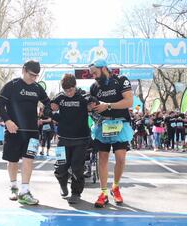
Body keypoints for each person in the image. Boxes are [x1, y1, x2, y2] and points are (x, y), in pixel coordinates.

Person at [0, 60, 52, 205]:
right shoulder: (11, 85)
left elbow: (48, 102)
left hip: (32, 132)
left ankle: (24, 191)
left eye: (36, 76)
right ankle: (14, 187)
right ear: (24, 70)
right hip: (14, 131)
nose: (33, 78)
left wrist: (46, 111)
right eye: (31, 75)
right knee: (13, 161)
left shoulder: (37, 88)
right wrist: (7, 121)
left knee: (29, 160)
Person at [88, 59, 133, 208]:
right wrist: (92, 110)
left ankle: (115, 187)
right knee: (102, 159)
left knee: (120, 158)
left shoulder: (121, 80)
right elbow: (93, 108)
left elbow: (128, 102)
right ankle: (103, 192)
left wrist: (107, 105)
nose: (94, 76)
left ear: (104, 68)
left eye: (95, 72)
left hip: (120, 124)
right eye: (92, 74)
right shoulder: (94, 87)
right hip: (103, 126)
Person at [51, 74, 93, 204]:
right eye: (66, 90)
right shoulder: (59, 97)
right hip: (62, 140)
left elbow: (94, 103)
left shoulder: (84, 97)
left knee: (77, 167)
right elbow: (49, 109)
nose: (69, 93)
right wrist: (56, 116)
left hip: (81, 140)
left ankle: (76, 193)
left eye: (71, 90)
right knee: (60, 167)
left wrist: (92, 104)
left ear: (75, 86)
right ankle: (63, 184)